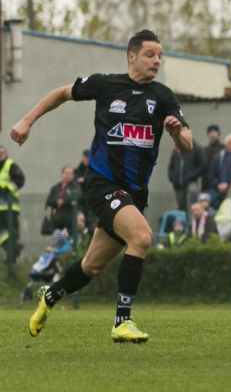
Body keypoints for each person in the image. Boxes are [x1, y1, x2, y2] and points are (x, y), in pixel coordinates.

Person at [15, 30, 193, 342]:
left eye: (160, 56)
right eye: (150, 54)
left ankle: (49, 296)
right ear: (132, 56)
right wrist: (27, 121)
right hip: (102, 184)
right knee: (141, 237)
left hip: (135, 193)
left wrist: (177, 133)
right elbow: (61, 93)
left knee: (92, 266)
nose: (156, 61)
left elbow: (188, 144)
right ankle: (122, 321)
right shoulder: (105, 84)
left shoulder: (163, 96)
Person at [0, 145, 24, 263]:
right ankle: (13, 250)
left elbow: (20, 180)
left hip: (10, 207)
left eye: (3, 152)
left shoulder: (11, 165)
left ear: (7, 154)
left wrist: (7, 190)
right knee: (2, 233)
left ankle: (11, 258)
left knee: (12, 231)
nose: (1, 154)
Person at [167, 139, 206, 211]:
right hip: (178, 185)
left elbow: (202, 166)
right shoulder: (176, 150)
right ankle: (183, 221)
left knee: (192, 200)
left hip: (191, 182)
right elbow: (171, 167)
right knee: (181, 207)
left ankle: (192, 221)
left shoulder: (196, 148)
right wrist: (173, 178)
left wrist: (190, 176)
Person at [45, 166, 85, 233]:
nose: (68, 176)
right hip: (57, 221)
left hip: (71, 222)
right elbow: (49, 201)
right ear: (62, 173)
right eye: (66, 173)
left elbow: (78, 196)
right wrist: (56, 202)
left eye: (70, 174)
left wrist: (64, 201)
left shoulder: (76, 186)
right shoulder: (55, 188)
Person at [201, 124, 224, 192]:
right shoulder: (205, 150)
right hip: (207, 184)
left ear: (218, 133)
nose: (213, 134)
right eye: (211, 132)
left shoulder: (224, 149)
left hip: (220, 183)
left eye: (215, 132)